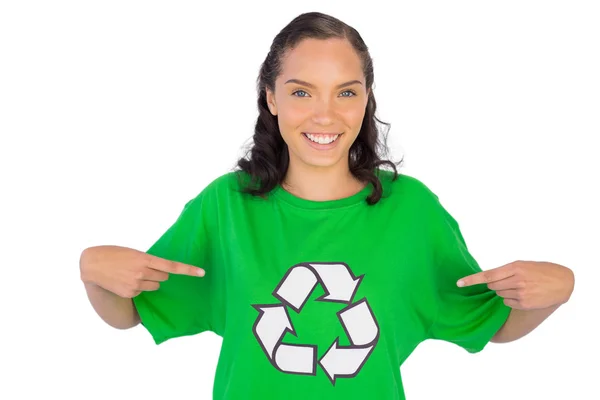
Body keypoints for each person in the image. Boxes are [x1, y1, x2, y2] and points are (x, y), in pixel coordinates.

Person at [79, 11, 575, 400]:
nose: (325, 114)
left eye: (345, 92)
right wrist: (94, 274)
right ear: (270, 97)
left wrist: (556, 292)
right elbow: (133, 312)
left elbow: (490, 324)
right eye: (301, 91)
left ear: (365, 100)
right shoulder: (225, 207)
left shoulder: (413, 212)